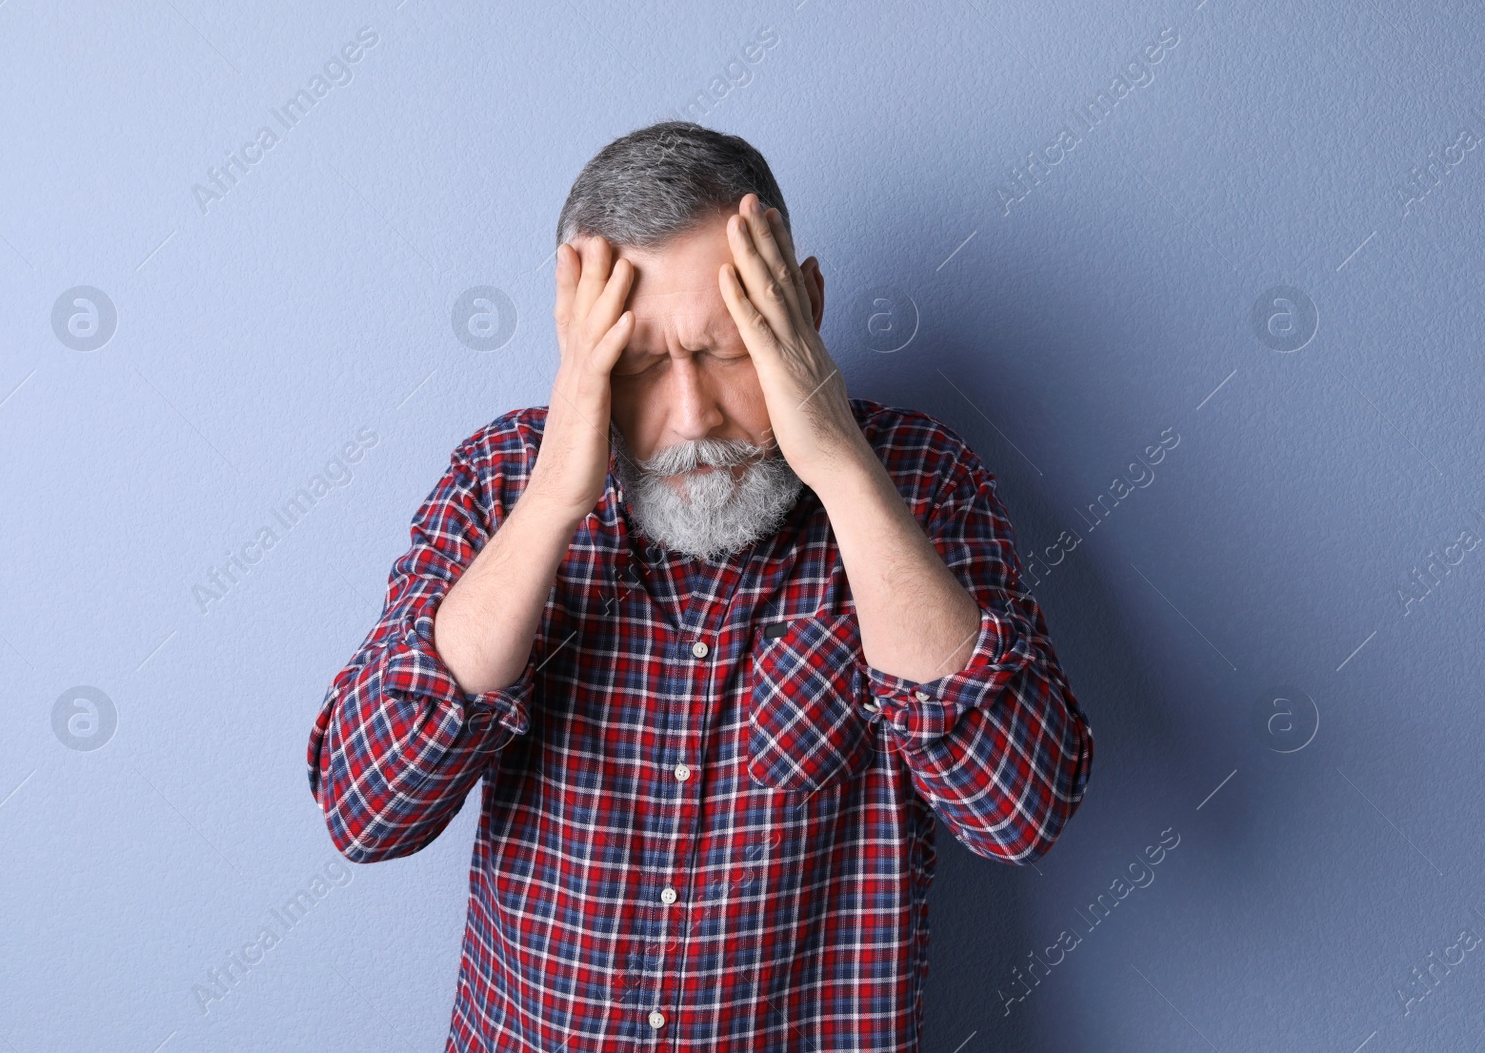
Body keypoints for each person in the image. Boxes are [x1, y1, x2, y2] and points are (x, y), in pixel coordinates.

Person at [307, 120, 1093, 1052]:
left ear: (803, 306)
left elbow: (1020, 811)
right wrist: (554, 502)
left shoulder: (923, 482)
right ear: (577, 345)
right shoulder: (499, 479)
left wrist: (841, 465)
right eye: (638, 366)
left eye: (728, 352)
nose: (691, 415)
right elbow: (367, 812)